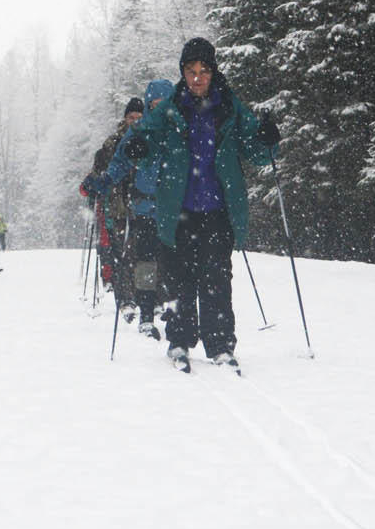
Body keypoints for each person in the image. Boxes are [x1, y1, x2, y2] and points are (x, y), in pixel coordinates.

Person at [85, 38, 279, 373]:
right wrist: (134, 153)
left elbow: (257, 151)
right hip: (178, 211)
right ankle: (178, 341)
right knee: (180, 278)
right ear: (183, 72)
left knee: (217, 279)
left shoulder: (229, 107)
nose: (198, 77)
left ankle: (220, 346)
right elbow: (139, 141)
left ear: (212, 71)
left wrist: (268, 138)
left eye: (204, 70)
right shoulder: (169, 109)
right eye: (191, 71)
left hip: (219, 210)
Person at [97, 81, 173, 337]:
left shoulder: (179, 128)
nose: (158, 108)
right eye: (154, 104)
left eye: (163, 103)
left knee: (173, 260)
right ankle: (147, 313)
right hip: (143, 207)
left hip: (173, 207)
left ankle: (172, 307)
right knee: (145, 261)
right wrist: (105, 180)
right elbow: (118, 161)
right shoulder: (140, 131)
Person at [86, 97, 144, 313]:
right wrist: (96, 184)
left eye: (139, 117)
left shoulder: (151, 139)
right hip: (117, 206)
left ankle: (146, 297)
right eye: (132, 117)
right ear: (125, 118)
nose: (135, 121)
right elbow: (99, 169)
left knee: (144, 254)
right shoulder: (112, 144)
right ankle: (126, 300)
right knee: (123, 254)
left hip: (144, 205)